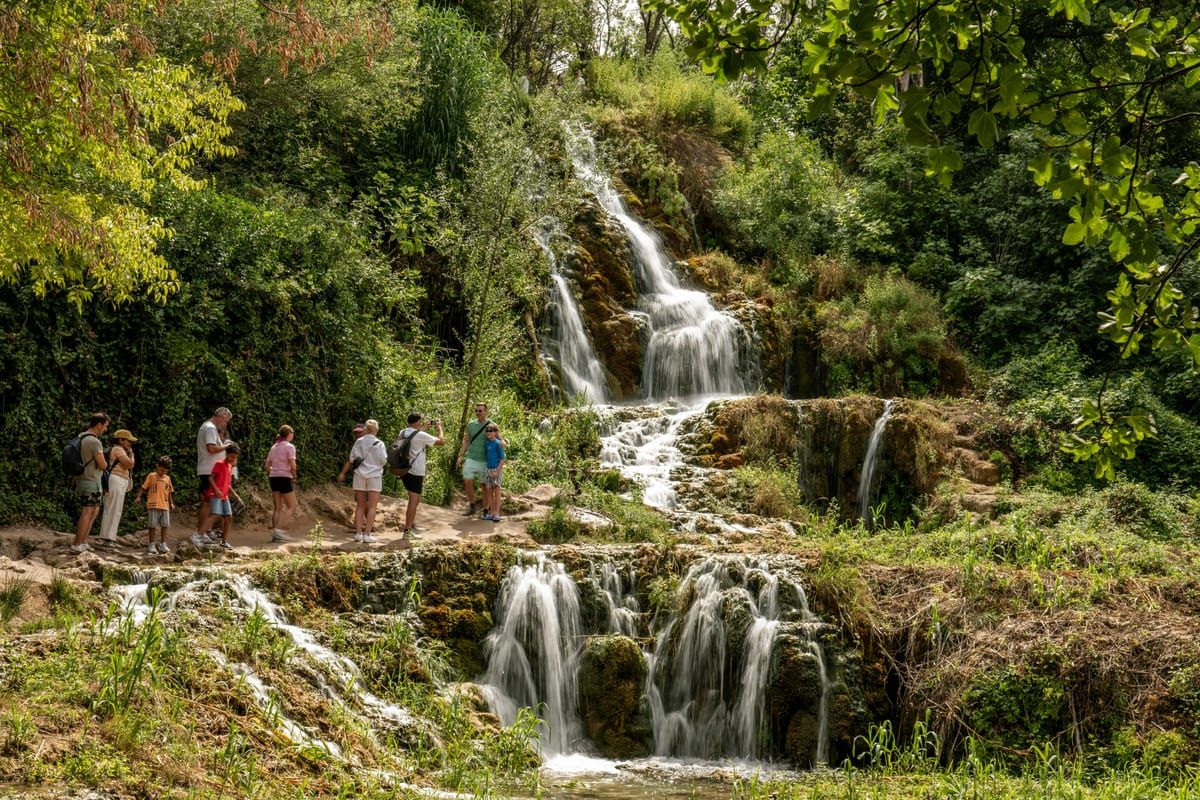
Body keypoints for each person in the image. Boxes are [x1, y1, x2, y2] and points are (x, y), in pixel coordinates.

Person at [339, 419, 387, 544]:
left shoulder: (359, 441)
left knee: (360, 506)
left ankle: (358, 534)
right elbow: (383, 460)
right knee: (372, 506)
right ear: (376, 430)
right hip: (374, 476)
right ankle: (367, 535)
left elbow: (352, 458)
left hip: (359, 475)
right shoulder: (380, 443)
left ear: (366, 428)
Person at [70, 412, 110, 555]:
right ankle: (77, 544)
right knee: (88, 512)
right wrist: (106, 461)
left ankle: (84, 542)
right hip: (91, 481)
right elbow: (103, 465)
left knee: (94, 511)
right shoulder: (94, 442)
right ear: (99, 425)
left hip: (85, 479)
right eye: (105, 426)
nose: (105, 429)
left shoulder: (81, 437)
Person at [400, 413, 444, 539]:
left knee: (412, 499)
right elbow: (441, 442)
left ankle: (411, 525)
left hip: (404, 470)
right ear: (418, 422)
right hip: (416, 471)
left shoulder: (403, 432)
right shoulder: (420, 435)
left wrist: (424, 428)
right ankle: (407, 531)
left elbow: (414, 437)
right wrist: (439, 428)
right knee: (414, 501)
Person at [195, 407, 234, 545]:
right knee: (207, 504)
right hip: (209, 470)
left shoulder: (208, 427)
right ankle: (200, 534)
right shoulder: (210, 428)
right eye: (225, 421)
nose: (225, 424)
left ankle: (205, 532)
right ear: (220, 416)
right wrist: (227, 446)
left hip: (209, 469)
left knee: (209, 504)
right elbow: (211, 448)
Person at [97, 428, 137, 545]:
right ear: (121, 440)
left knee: (111, 508)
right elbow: (129, 464)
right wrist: (132, 455)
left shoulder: (116, 449)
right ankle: (109, 538)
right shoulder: (118, 449)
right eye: (128, 441)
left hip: (115, 480)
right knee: (115, 509)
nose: (130, 444)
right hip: (116, 479)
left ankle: (105, 536)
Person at [456, 402, 495, 517]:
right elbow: (466, 440)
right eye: (476, 411)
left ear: (486, 411)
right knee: (467, 480)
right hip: (471, 458)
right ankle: (472, 505)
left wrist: (503, 443)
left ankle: (486, 510)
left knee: (485, 486)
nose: (478, 413)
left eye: (480, 411)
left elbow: (498, 439)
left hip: (485, 460)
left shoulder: (491, 425)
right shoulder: (471, 424)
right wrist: (461, 455)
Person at [198, 442, 239, 551]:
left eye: (235, 457)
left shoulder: (230, 466)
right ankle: (198, 535)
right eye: (231, 456)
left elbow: (227, 483)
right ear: (226, 454)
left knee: (229, 517)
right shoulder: (219, 464)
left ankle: (224, 542)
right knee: (216, 514)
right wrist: (216, 489)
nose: (233, 459)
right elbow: (211, 478)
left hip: (224, 496)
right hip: (215, 494)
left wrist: (234, 494)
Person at [136, 456, 175, 554]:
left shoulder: (167, 478)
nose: (163, 472)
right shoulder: (151, 476)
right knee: (152, 525)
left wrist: (171, 503)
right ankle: (151, 544)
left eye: (165, 471)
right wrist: (139, 497)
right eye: (161, 469)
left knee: (165, 525)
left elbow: (169, 492)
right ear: (157, 466)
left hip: (165, 505)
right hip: (153, 504)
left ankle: (163, 544)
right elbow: (144, 487)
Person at [265, 424, 297, 543]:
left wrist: (275, 471)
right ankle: (278, 531)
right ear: (289, 434)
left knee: (277, 507)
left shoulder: (274, 447)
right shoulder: (289, 447)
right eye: (292, 433)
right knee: (292, 505)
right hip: (284, 477)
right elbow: (292, 464)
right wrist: (294, 475)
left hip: (273, 478)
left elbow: (267, 466)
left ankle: (276, 535)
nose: (293, 435)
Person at [482, 423, 506, 522]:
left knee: (497, 491)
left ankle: (497, 513)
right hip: (488, 470)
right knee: (489, 491)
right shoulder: (486, 443)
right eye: (487, 431)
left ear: (495, 432)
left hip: (496, 470)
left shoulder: (498, 444)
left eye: (491, 431)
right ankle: (492, 513)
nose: (488, 432)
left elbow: (502, 459)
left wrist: (497, 471)